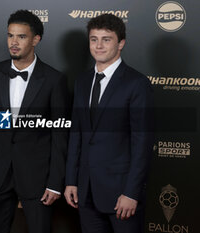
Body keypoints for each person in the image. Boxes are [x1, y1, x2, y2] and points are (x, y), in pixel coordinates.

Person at [0, 10, 69, 233]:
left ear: (36, 39)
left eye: (21, 37)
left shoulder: (54, 80)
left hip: (37, 175)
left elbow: (59, 135)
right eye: (10, 36)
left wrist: (55, 182)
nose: (13, 43)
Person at [64, 14, 154, 233]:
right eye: (94, 39)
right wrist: (71, 181)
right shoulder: (82, 81)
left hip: (121, 194)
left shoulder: (137, 83)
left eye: (106, 39)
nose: (99, 45)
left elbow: (142, 143)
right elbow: (77, 134)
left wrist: (131, 192)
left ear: (121, 43)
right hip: (86, 192)